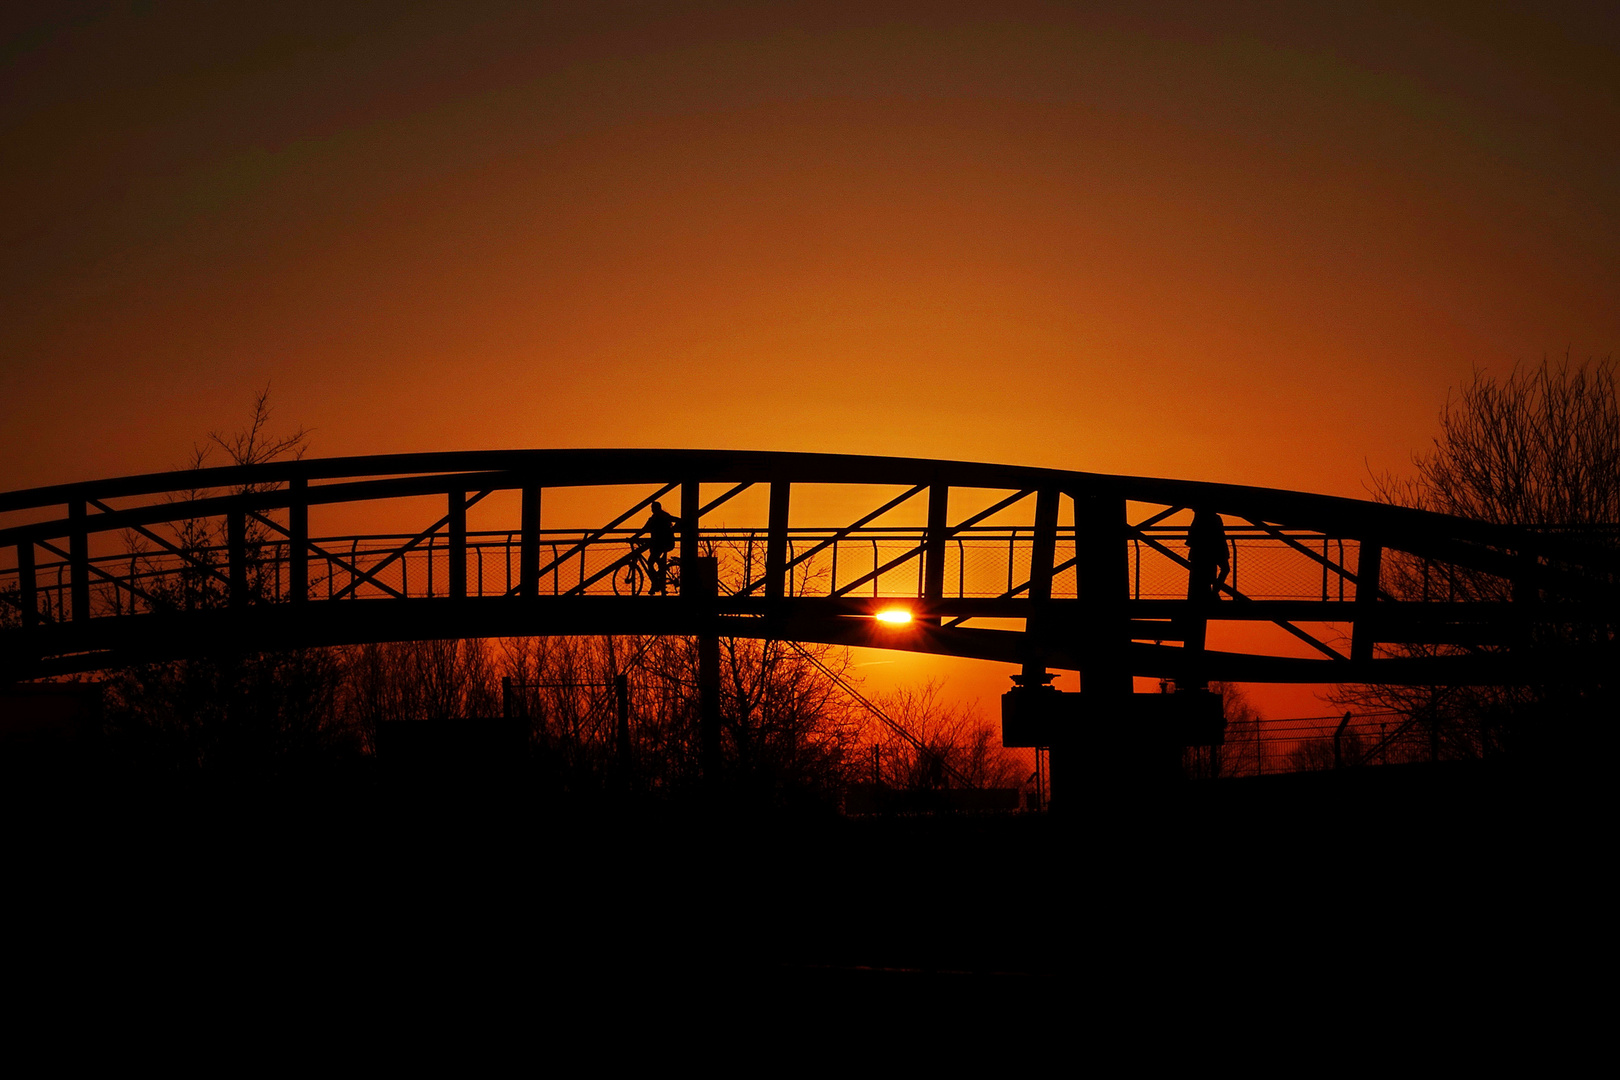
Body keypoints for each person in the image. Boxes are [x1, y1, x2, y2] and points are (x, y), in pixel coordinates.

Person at [1187, 508, 1230, 601]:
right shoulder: (1214, 518)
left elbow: (1192, 535)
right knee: (1219, 570)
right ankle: (1213, 593)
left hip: (1203, 551)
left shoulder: (1199, 518)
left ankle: (1210, 594)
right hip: (1214, 550)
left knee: (1205, 573)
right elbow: (1220, 536)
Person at [645, 501, 677, 594]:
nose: (652, 509)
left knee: (650, 563)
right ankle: (658, 581)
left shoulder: (655, 518)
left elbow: (645, 528)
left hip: (660, 544)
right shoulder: (664, 516)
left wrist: (634, 538)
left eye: (652, 508)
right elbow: (677, 519)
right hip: (667, 543)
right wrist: (673, 530)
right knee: (655, 561)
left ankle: (655, 583)